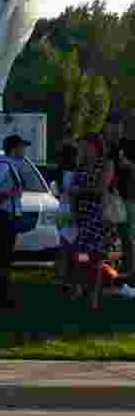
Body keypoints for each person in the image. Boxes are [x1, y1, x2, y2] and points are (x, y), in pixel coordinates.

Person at [70, 132, 117, 310]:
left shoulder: (106, 164)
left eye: (86, 145)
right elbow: (73, 192)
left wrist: (78, 191)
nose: (82, 149)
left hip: (98, 217)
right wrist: (74, 213)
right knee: (81, 256)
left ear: (95, 146)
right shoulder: (81, 166)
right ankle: (81, 288)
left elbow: (100, 189)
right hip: (82, 217)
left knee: (96, 258)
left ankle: (94, 297)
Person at [0, 134, 29, 304]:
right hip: (5, 215)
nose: (24, 150)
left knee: (6, 255)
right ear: (14, 148)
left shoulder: (10, 165)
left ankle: (2, 291)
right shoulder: (4, 165)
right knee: (4, 255)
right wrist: (8, 193)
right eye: (22, 147)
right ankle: (1, 294)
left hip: (10, 214)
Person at [103, 111, 135, 279]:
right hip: (105, 197)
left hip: (127, 197)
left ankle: (129, 269)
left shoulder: (129, 145)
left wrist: (126, 164)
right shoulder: (102, 146)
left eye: (118, 125)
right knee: (104, 234)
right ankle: (104, 269)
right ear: (106, 127)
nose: (115, 129)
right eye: (111, 125)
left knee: (126, 235)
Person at [54, 143, 80, 292]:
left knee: (63, 248)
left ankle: (61, 278)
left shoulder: (59, 172)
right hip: (71, 211)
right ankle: (74, 279)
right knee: (75, 248)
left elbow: (57, 192)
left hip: (60, 211)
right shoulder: (75, 173)